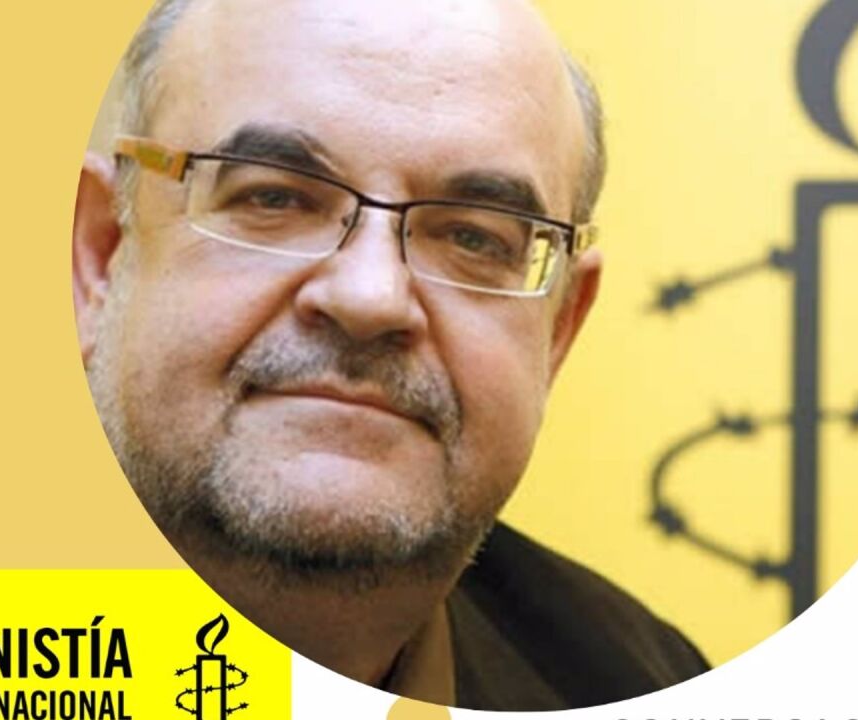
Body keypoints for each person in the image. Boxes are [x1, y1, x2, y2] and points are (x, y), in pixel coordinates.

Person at [73, 0, 709, 709]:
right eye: (274, 198)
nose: (370, 298)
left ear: (557, 330)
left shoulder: (639, 683)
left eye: (473, 238)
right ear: (101, 256)